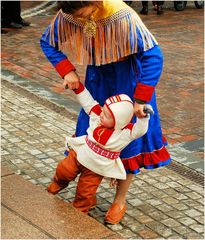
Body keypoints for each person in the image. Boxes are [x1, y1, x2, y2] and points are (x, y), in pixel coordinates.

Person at [40, 0, 171, 224]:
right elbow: (48, 41)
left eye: (84, 14)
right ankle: (77, 186)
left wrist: (140, 99)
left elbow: (153, 56)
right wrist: (66, 71)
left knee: (129, 143)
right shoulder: (71, 12)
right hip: (98, 80)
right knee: (89, 134)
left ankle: (120, 200)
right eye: (76, 17)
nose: (79, 21)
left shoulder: (123, 16)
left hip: (128, 84)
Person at [48, 81, 153, 214]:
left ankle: (79, 212)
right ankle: (58, 183)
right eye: (103, 110)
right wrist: (78, 87)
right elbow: (88, 101)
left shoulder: (124, 134)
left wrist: (143, 117)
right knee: (64, 170)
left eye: (107, 116)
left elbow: (140, 130)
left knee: (85, 192)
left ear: (119, 121)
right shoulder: (97, 116)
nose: (102, 114)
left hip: (95, 168)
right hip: (79, 154)